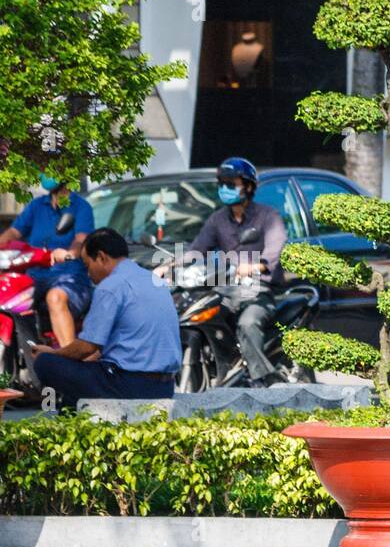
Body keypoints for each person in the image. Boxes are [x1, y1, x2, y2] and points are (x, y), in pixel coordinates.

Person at [32, 228, 181, 407]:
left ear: (101, 257)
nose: (88, 274)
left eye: (88, 266)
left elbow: (87, 347)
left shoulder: (110, 286)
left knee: (45, 363)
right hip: (164, 387)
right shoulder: (151, 279)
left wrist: (53, 353)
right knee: (73, 396)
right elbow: (103, 350)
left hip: (131, 385)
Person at [184, 156, 287, 386]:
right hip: (226, 288)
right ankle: (221, 367)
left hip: (259, 291)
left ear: (248, 186)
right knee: (197, 314)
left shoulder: (269, 217)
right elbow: (197, 249)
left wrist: (253, 266)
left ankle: (263, 379)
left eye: (231, 183)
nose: (225, 188)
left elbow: (275, 252)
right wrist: (168, 266)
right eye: (222, 183)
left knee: (248, 323)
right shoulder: (217, 219)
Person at [0, 175, 95, 346]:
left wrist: (69, 253)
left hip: (69, 277)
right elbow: (13, 233)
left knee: (55, 297)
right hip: (34, 278)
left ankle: (68, 358)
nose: (45, 174)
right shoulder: (36, 205)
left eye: (51, 168)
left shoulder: (81, 207)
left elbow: (81, 240)